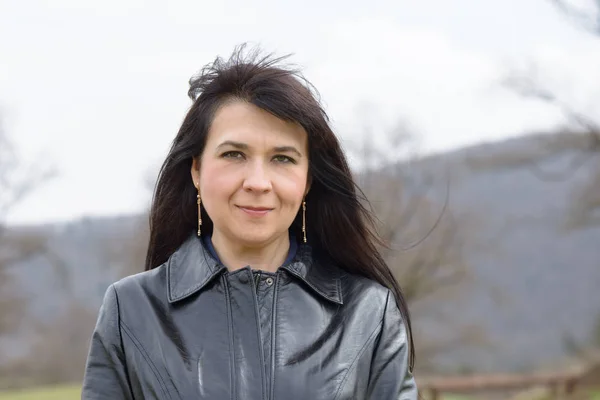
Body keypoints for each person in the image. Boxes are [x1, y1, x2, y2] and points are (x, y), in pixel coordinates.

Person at [81, 45, 418, 400]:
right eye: (234, 154)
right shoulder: (131, 309)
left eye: (283, 158)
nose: (258, 182)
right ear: (196, 169)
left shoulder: (368, 312)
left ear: (307, 180)